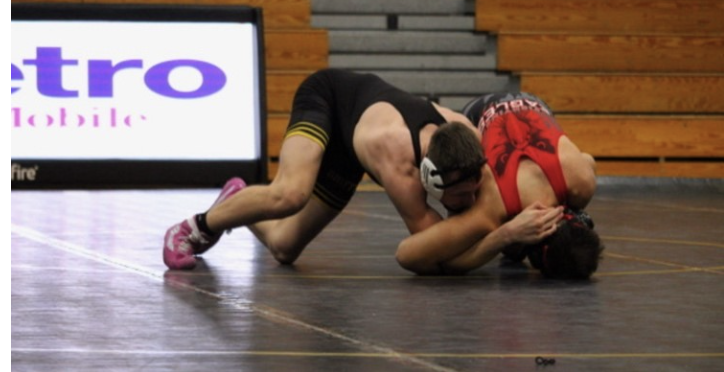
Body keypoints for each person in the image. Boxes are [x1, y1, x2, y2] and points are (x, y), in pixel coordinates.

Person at [163, 68, 485, 270]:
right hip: (328, 100)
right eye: (459, 196)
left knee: (284, 247)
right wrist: (500, 235)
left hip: (353, 144)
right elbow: (432, 246)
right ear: (430, 178)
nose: (470, 202)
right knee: (290, 194)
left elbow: (476, 216)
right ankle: (192, 228)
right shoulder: (399, 164)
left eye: (472, 191)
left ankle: (240, 199)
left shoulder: (468, 138)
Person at [396, 92, 604, 279]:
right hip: (480, 112)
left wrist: (509, 233)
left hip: (531, 101)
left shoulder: (582, 181)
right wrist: (504, 235)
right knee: (464, 200)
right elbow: (406, 255)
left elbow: (588, 160)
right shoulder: (494, 204)